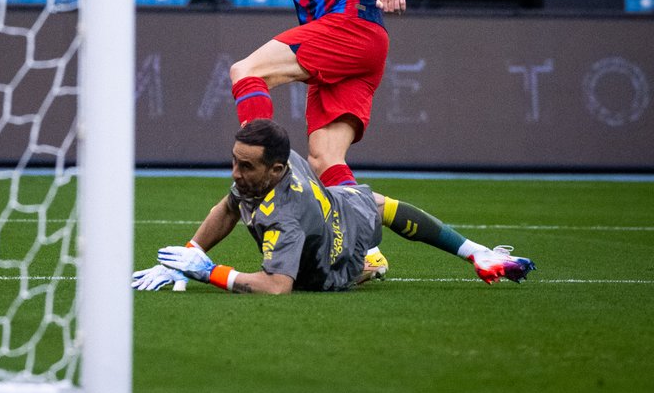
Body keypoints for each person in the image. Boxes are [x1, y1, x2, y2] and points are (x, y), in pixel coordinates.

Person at [142, 0, 422, 271]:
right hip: (334, 49)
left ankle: (272, 163)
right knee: (327, 160)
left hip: (356, 26)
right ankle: (368, 252)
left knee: (245, 71)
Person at [133, 121, 536, 294]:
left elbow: (276, 287)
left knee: (335, 270)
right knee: (375, 203)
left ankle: (368, 265)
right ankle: (474, 253)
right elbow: (229, 206)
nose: (235, 173)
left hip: (330, 260)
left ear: (276, 169)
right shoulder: (275, 158)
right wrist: (186, 254)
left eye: (245, 166)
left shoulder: (284, 220)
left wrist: (209, 271)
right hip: (339, 209)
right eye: (234, 161)